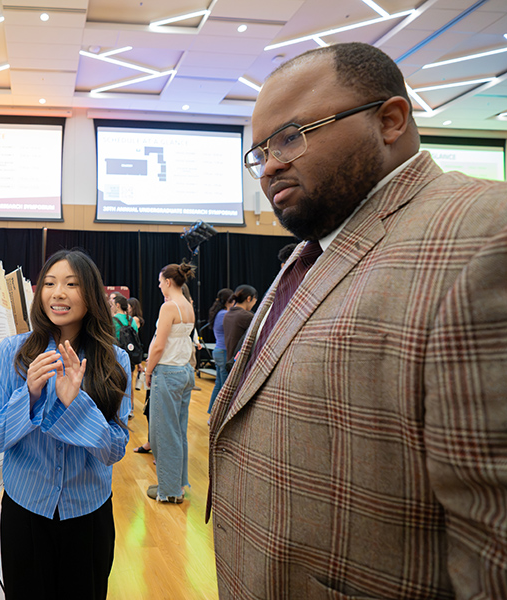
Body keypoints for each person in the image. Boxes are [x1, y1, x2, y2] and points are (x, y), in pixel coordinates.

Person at [208, 42, 507, 599]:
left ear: (390, 120)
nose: (270, 164)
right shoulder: (312, 252)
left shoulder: (484, 235)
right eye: (260, 151)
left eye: (291, 136)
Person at [0, 249, 132, 600]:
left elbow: (114, 449)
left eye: (71, 284)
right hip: (25, 509)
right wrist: (31, 394)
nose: (57, 293)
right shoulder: (13, 353)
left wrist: (76, 404)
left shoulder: (115, 359)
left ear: (92, 294)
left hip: (88, 512)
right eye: (49, 283)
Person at [143, 262, 196, 503]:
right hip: (184, 372)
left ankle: (170, 490)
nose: (158, 285)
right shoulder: (188, 306)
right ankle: (176, 485)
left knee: (164, 434)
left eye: (159, 281)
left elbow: (159, 345)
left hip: (168, 372)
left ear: (167, 282)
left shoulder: (169, 307)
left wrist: (147, 371)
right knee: (178, 432)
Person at [206, 288, 233, 413]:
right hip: (223, 352)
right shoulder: (224, 314)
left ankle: (212, 412)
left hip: (218, 351)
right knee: (223, 386)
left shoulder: (219, 313)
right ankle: (218, 415)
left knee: (218, 384)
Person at [220, 285, 257, 371]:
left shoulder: (228, 314)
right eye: (255, 301)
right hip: (241, 365)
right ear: (249, 298)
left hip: (230, 360)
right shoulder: (247, 316)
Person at [127, 297, 146, 390]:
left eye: (128, 306)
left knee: (129, 383)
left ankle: (131, 404)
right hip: (136, 349)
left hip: (133, 349)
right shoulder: (137, 319)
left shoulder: (134, 319)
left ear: (133, 307)